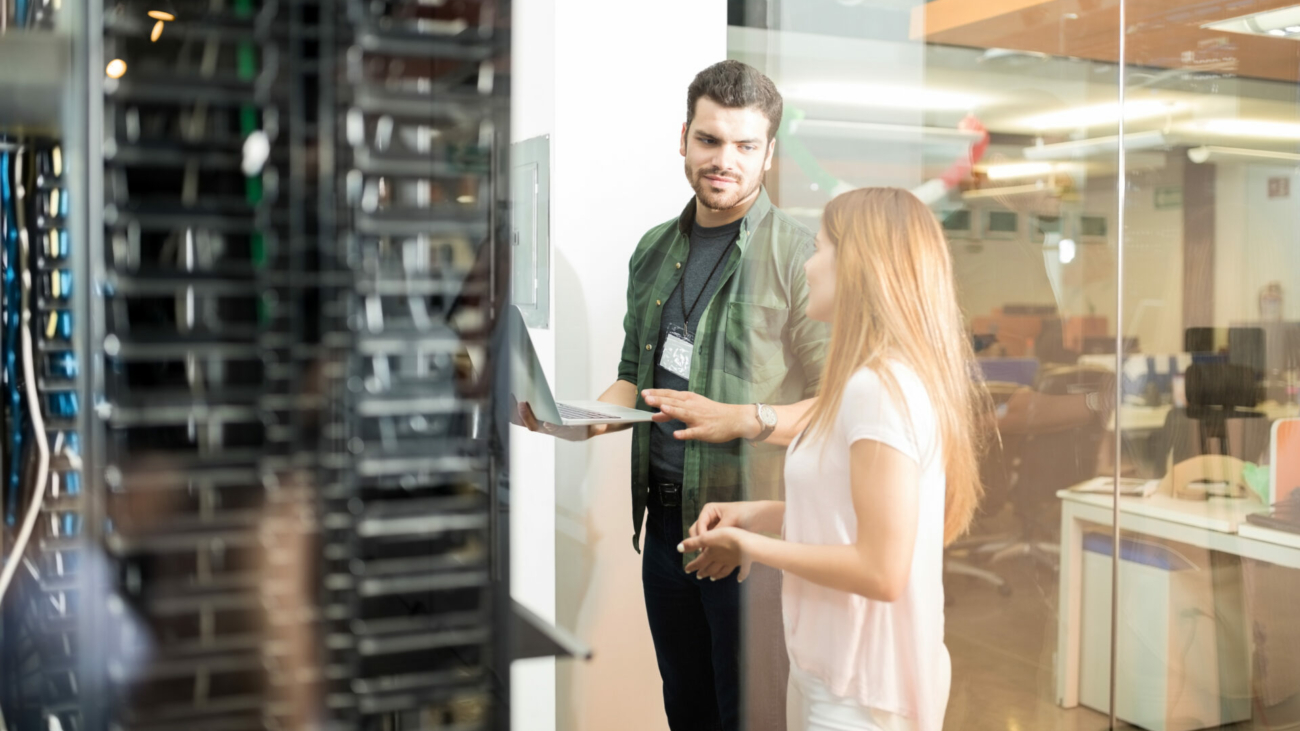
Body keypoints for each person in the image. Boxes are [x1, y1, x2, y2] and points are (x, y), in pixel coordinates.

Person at [516, 60, 829, 731]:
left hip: (750, 541)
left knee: (751, 717)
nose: (725, 161)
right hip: (666, 531)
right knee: (685, 708)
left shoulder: (802, 256)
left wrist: (743, 419)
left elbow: (837, 409)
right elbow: (635, 373)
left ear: (770, 153)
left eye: (747, 146)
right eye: (711, 141)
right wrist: (578, 420)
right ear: (684, 136)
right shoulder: (654, 250)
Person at [679, 188, 991, 731]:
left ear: (858, 266)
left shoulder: (880, 390)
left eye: (820, 248)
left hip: (860, 694)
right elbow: (847, 513)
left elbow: (881, 570)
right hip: (830, 671)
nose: (808, 264)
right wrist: (756, 514)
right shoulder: (867, 382)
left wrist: (750, 546)